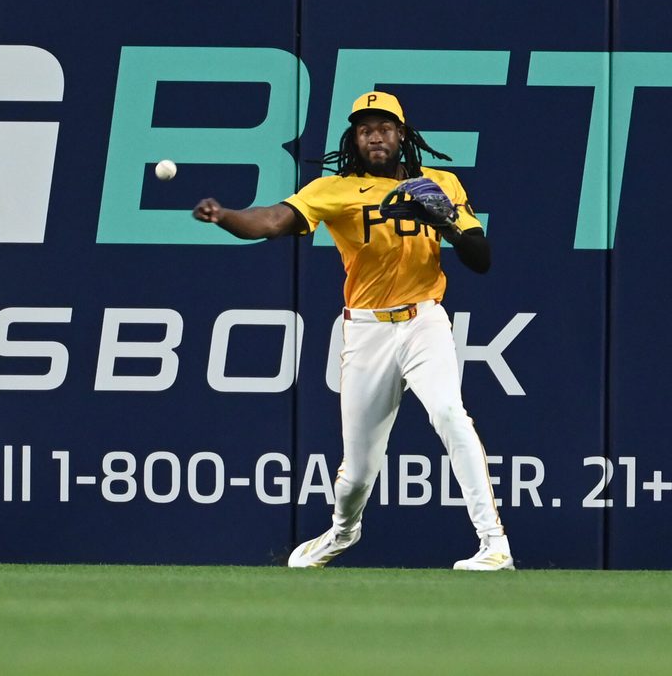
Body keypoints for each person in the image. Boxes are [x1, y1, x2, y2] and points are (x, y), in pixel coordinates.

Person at [192, 91, 512, 571]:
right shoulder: (334, 189)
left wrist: (444, 220)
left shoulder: (439, 183)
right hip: (366, 331)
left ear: (401, 135)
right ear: (354, 139)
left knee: (450, 414)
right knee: (358, 473)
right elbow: (274, 221)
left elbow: (481, 258)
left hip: (425, 318)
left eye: (384, 127)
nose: (375, 136)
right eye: (365, 130)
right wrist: (227, 217)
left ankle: (494, 545)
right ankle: (342, 532)